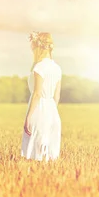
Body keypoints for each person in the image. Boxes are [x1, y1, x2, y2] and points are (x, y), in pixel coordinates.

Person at [21, 32, 62, 161]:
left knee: (35, 152)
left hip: (39, 110)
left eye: (33, 48)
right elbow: (57, 96)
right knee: (48, 153)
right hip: (52, 110)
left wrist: (28, 116)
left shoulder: (39, 68)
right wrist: (51, 112)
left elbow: (37, 93)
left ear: (38, 48)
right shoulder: (57, 68)